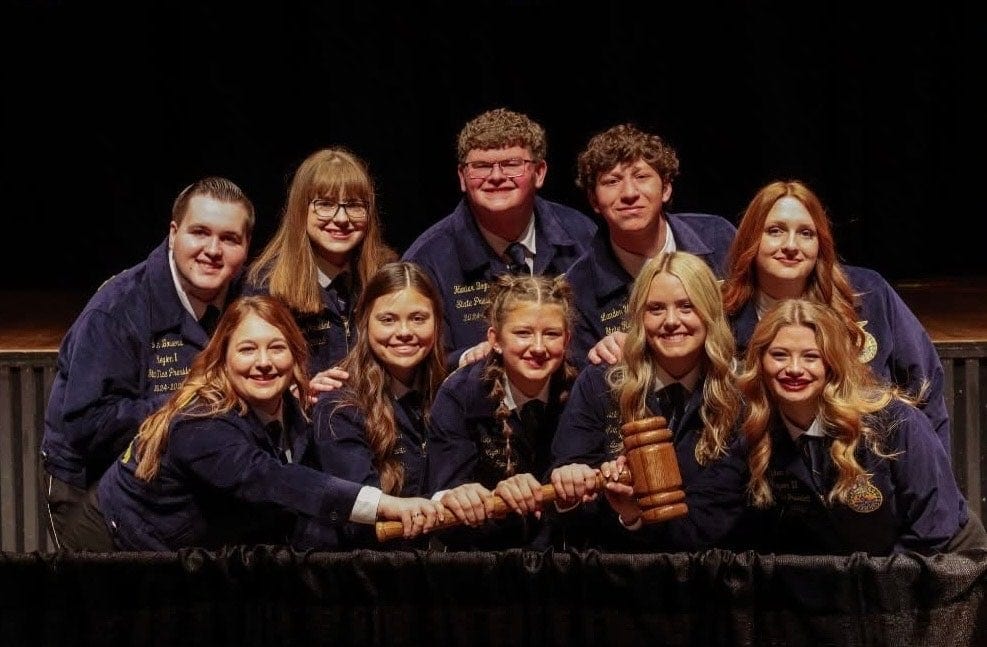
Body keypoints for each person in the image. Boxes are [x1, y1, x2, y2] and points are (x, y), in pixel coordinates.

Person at [92, 295, 445, 551]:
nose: (264, 362)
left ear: (296, 356)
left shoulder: (291, 410)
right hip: (112, 543)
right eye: (247, 350)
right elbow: (272, 480)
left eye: (276, 348)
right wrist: (385, 504)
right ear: (223, 359)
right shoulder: (201, 421)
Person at [41, 176, 255, 550]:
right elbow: (86, 424)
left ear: (247, 245)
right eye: (199, 232)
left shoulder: (247, 301)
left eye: (229, 238)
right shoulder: (116, 310)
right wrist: (188, 403)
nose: (212, 250)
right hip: (92, 488)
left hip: (177, 491)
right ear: (173, 234)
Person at [735, 298, 986, 555]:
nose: (794, 369)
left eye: (811, 356)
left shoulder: (894, 422)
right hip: (862, 571)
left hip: (944, 563)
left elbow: (934, 526)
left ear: (832, 363)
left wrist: (878, 585)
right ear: (759, 362)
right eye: (779, 355)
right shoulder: (760, 435)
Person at [721, 179, 950, 455]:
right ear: (751, 239)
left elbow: (925, 382)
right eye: (775, 231)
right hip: (768, 477)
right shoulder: (724, 317)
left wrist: (934, 469)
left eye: (806, 233)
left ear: (821, 243)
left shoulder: (868, 294)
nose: (791, 245)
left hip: (873, 469)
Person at [549, 251, 747, 551]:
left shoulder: (739, 396)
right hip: (610, 573)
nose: (671, 321)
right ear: (639, 317)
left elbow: (716, 518)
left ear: (710, 312)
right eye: (655, 309)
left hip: (708, 577)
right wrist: (574, 488)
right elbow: (571, 502)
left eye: (686, 306)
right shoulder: (599, 382)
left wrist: (636, 515)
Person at [401, 107, 596, 370]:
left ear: (539, 172)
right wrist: (464, 360)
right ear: (462, 177)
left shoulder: (582, 236)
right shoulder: (426, 260)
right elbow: (408, 358)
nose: (495, 177)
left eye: (512, 165)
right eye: (481, 167)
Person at [566, 123, 737, 370]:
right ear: (594, 200)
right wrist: (601, 359)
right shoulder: (578, 287)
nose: (629, 193)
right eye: (612, 181)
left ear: (665, 188)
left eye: (641, 176)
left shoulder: (718, 238)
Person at [426, 273, 578, 550]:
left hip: (566, 558)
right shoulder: (460, 394)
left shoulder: (581, 389)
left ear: (567, 340)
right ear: (495, 339)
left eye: (552, 334)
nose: (539, 348)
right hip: (482, 558)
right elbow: (443, 491)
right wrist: (469, 497)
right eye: (523, 333)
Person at [311, 261, 447, 548]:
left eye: (418, 318)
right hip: (372, 569)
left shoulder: (449, 392)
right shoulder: (339, 407)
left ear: (437, 322)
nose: (404, 332)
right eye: (388, 319)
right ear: (363, 322)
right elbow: (357, 512)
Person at [246, 147, 398, 397]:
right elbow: (248, 376)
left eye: (354, 205)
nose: (341, 218)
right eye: (325, 204)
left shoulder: (385, 274)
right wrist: (300, 391)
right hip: (304, 428)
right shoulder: (265, 285)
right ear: (300, 209)